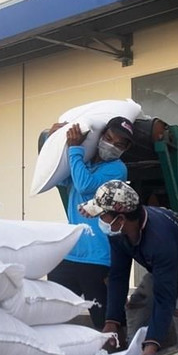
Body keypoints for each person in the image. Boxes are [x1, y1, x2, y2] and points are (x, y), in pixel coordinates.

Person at [80, 180, 178, 355]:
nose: (100, 221)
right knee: (137, 305)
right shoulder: (118, 233)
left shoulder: (160, 239)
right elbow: (118, 276)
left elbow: (164, 297)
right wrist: (111, 320)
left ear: (120, 218)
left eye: (101, 216)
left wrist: (152, 344)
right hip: (175, 261)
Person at [47, 117, 134, 330]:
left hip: (99, 260)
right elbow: (57, 177)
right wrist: (54, 142)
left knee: (106, 324)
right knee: (49, 316)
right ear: (100, 136)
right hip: (69, 255)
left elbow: (86, 187)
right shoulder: (83, 165)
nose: (111, 145)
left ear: (125, 150)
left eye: (119, 144)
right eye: (108, 138)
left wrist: (74, 148)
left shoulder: (117, 169)